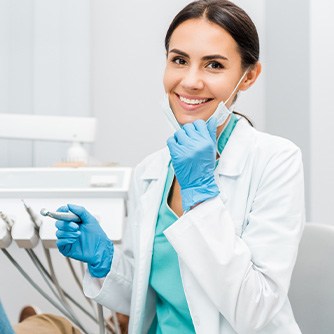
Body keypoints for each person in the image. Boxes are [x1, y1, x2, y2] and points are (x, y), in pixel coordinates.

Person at [55, 0, 305, 333]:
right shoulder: (151, 171)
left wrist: (200, 196)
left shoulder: (276, 161)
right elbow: (149, 298)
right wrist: (105, 262)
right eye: (179, 60)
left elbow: (253, 310)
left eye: (213, 65)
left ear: (248, 77)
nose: (189, 81)